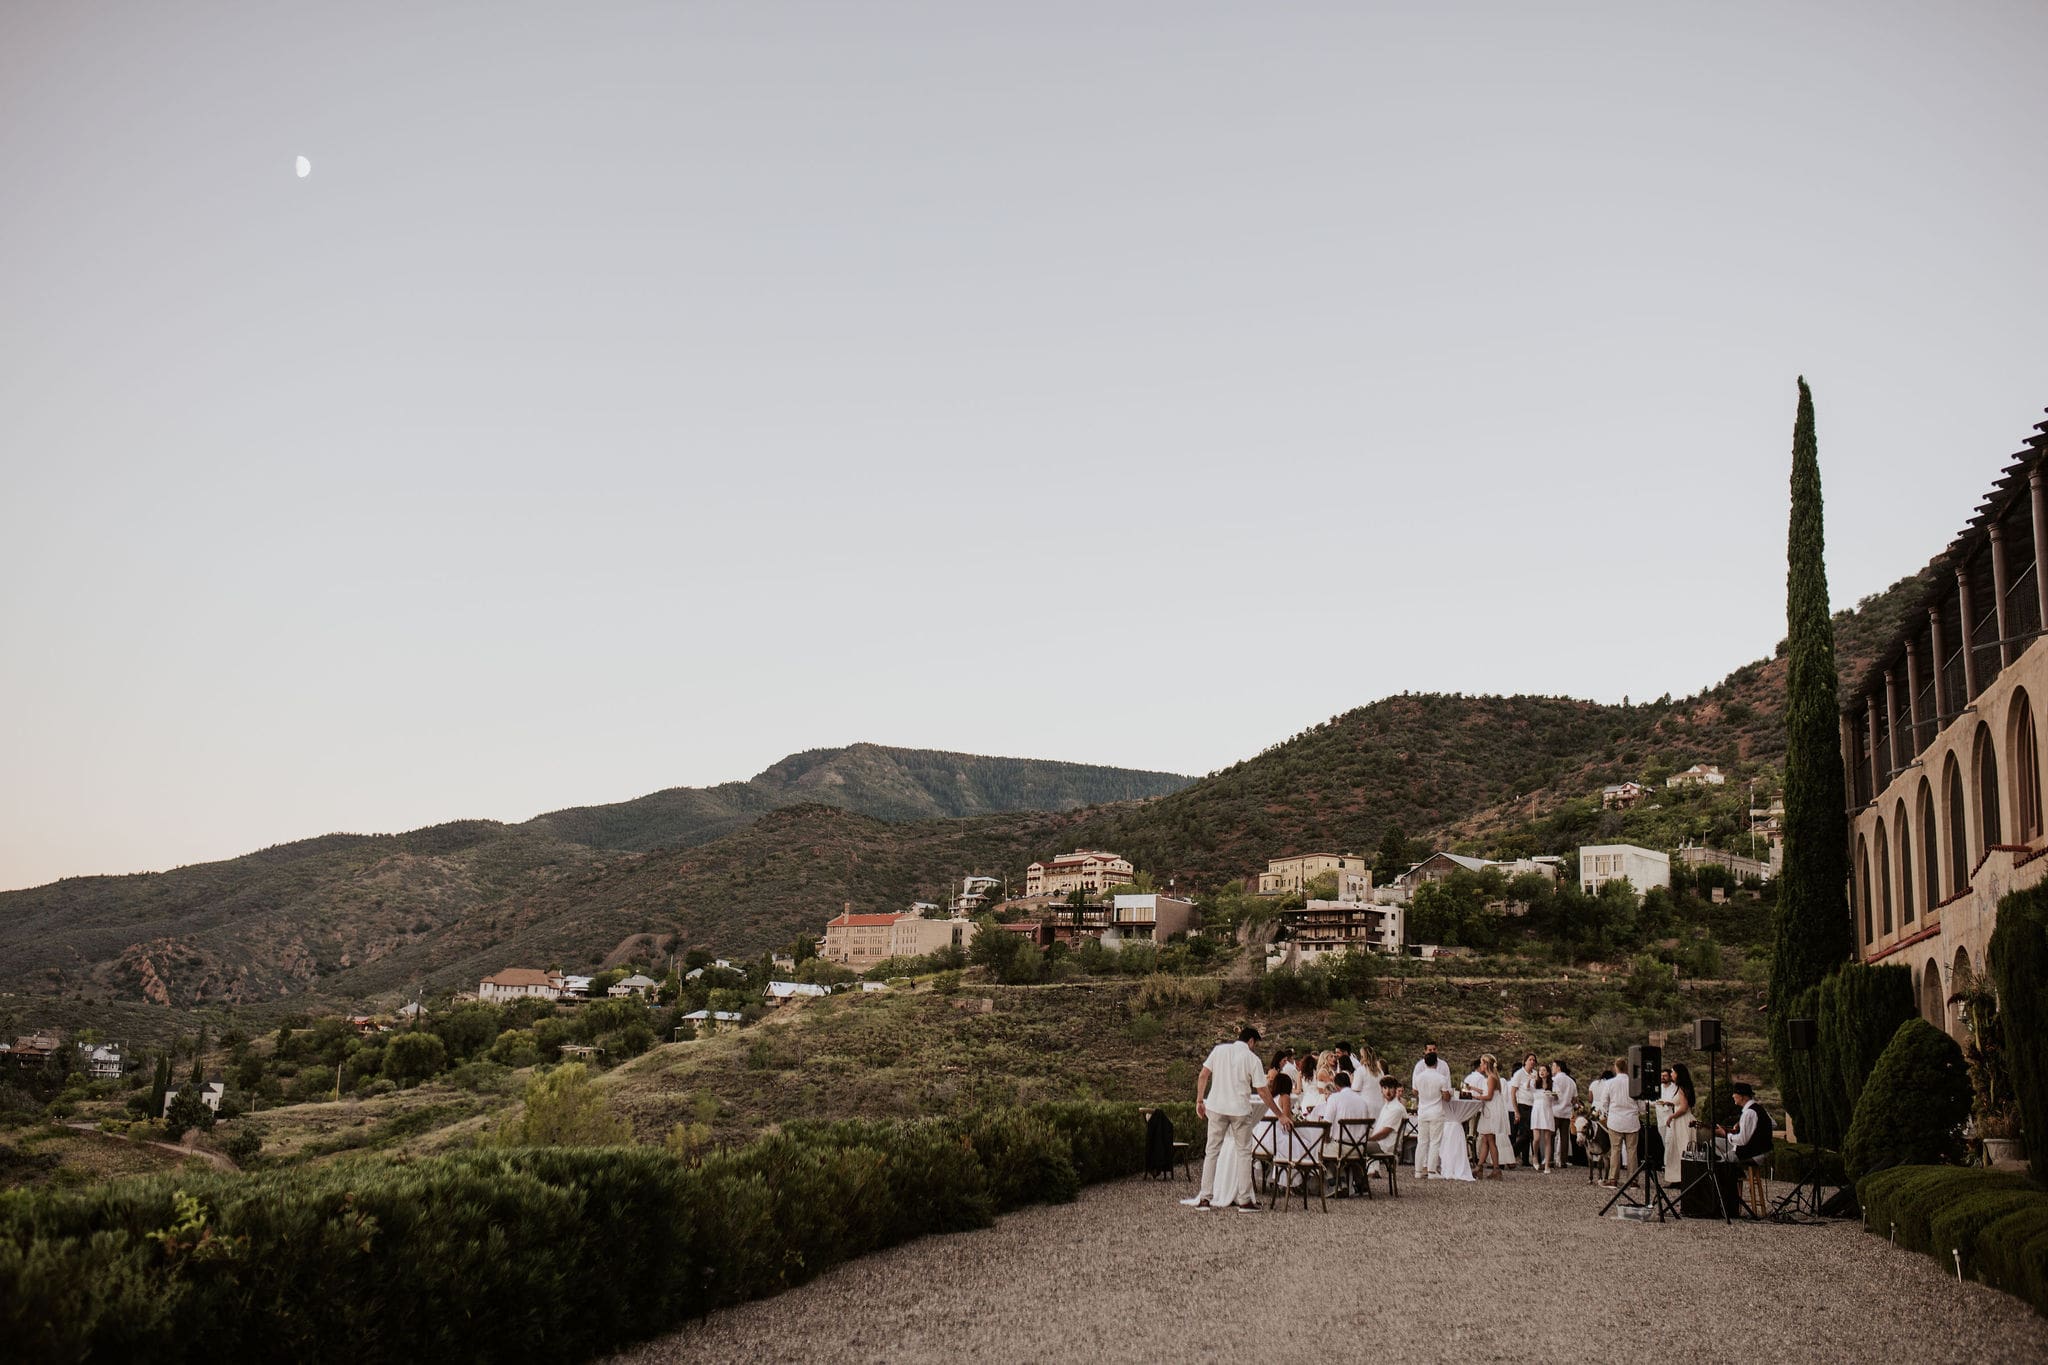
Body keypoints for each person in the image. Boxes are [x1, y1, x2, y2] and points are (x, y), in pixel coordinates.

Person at [1183, 1026, 1276, 1212]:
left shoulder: (1219, 1050)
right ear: (1251, 1041)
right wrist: (1279, 1113)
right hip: (1239, 1109)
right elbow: (1263, 1091)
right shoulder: (1252, 1058)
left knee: (1211, 1152)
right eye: (1254, 1044)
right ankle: (1244, 1201)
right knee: (1243, 1153)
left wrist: (1200, 1100)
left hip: (1216, 1106)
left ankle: (1205, 1198)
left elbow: (1203, 1075)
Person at [1716, 1081, 1774, 1208]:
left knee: (1718, 1161)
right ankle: (1733, 1170)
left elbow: (1743, 1140)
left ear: (1742, 1096)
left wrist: (1725, 1134)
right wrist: (1740, 1124)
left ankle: (1727, 1200)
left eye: (1734, 1094)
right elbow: (1773, 1123)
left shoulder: (1749, 1113)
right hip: (1757, 1149)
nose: (1733, 1096)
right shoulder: (1757, 1109)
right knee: (1714, 1142)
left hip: (1753, 1153)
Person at [1319, 1070, 1372, 1194]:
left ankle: (1336, 1182)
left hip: (1341, 1147)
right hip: (1360, 1149)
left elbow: (1327, 1123)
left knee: (1319, 1150)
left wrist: (1325, 1139)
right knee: (1331, 1147)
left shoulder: (1335, 1098)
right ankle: (1359, 1181)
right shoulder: (1362, 1100)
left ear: (1336, 1086)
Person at [1411, 1041, 1458, 1179]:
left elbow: (1414, 1091)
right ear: (1435, 1064)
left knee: (1422, 1141)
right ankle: (1432, 1171)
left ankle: (1418, 1171)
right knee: (1435, 1142)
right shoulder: (1441, 1078)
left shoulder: (1419, 1077)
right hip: (1436, 1110)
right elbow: (1446, 1096)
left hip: (1423, 1110)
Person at [1597, 1055, 1641, 1186]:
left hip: (1615, 1120)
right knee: (1632, 1150)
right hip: (1632, 1120)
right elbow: (1642, 1103)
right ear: (1626, 1068)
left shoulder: (1609, 1083)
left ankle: (1613, 1179)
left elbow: (1604, 1102)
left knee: (1615, 1149)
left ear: (1616, 1068)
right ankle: (1633, 1180)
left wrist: (1606, 1113)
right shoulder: (1634, 1082)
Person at [1474, 1053, 1509, 1180]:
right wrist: (1474, 1089)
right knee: (1485, 1139)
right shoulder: (1493, 1077)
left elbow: (1489, 1096)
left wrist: (1475, 1097)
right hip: (1490, 1110)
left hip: (1491, 1112)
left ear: (1486, 1064)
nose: (1480, 1065)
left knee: (1490, 1140)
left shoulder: (1491, 1078)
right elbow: (1488, 1091)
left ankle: (1496, 1169)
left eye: (1482, 1063)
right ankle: (1479, 1167)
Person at [1662, 1063, 1697, 1184]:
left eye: (1673, 1072)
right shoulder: (1682, 1087)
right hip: (1681, 1120)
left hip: (1682, 1121)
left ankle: (1683, 1178)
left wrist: (1671, 1116)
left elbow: (1683, 1107)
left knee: (1682, 1148)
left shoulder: (1682, 1088)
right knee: (1677, 1149)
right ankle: (1678, 1178)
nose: (1671, 1074)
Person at [1507, 1052, 1538, 1164]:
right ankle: (1511, 1154)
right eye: (1530, 1059)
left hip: (1533, 1104)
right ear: (1525, 1061)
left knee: (1530, 1133)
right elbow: (1513, 1092)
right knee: (1526, 1132)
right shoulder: (1519, 1074)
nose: (1532, 1062)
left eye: (1534, 1060)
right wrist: (1516, 1111)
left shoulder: (1535, 1073)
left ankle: (1522, 1158)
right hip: (1523, 1104)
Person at [1528, 1063, 1556, 1172]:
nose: (1541, 1072)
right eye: (1540, 1070)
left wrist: (1552, 1094)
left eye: (1544, 1070)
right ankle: (1535, 1156)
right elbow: (1527, 1088)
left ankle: (1547, 1164)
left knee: (1547, 1139)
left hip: (1547, 1110)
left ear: (1548, 1072)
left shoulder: (1552, 1083)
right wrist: (1529, 1079)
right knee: (1536, 1138)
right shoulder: (1535, 1083)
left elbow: (1557, 1096)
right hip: (1537, 1111)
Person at [1368, 1076, 1407, 1156]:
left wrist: (1368, 1139)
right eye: (1385, 1088)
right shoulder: (1387, 1105)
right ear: (1381, 1090)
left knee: (1356, 1148)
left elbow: (1385, 1132)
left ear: (1395, 1089)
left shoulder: (1396, 1108)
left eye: (1390, 1088)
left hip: (1385, 1146)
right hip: (1379, 1142)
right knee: (1351, 1147)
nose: (1388, 1091)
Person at [1550, 1060, 1579, 1166]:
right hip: (1566, 1112)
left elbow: (1553, 1094)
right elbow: (1575, 1099)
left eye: (1553, 1066)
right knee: (1564, 1137)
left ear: (1558, 1067)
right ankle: (1563, 1161)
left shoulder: (1554, 1080)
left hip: (1555, 1111)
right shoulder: (1571, 1081)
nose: (1552, 1068)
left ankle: (1550, 1159)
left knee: (1551, 1136)